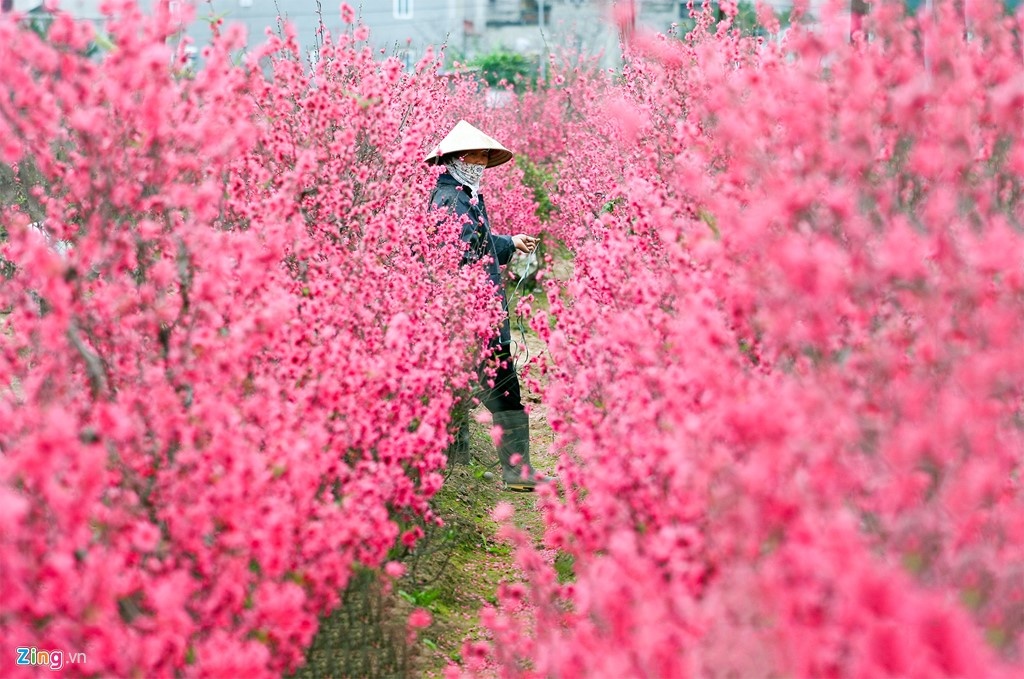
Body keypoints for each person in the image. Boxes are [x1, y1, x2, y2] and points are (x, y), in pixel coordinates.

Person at [424, 120, 545, 492]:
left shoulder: (465, 196)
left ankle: (456, 469)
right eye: (477, 156)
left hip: (476, 313)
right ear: (458, 158)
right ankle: (510, 472)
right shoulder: (452, 199)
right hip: (472, 317)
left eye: (484, 157)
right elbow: (454, 255)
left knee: (467, 390)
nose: (482, 163)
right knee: (499, 388)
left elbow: (479, 241)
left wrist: (510, 242)